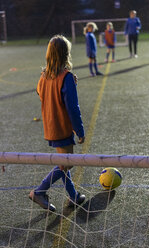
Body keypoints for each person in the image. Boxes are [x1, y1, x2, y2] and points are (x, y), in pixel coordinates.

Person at [29, 35, 85, 212]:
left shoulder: (44, 75)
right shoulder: (66, 76)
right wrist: (79, 130)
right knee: (66, 164)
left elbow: (40, 92)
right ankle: (39, 191)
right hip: (62, 127)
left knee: (65, 162)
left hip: (50, 126)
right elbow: (72, 108)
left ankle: (73, 196)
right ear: (65, 54)